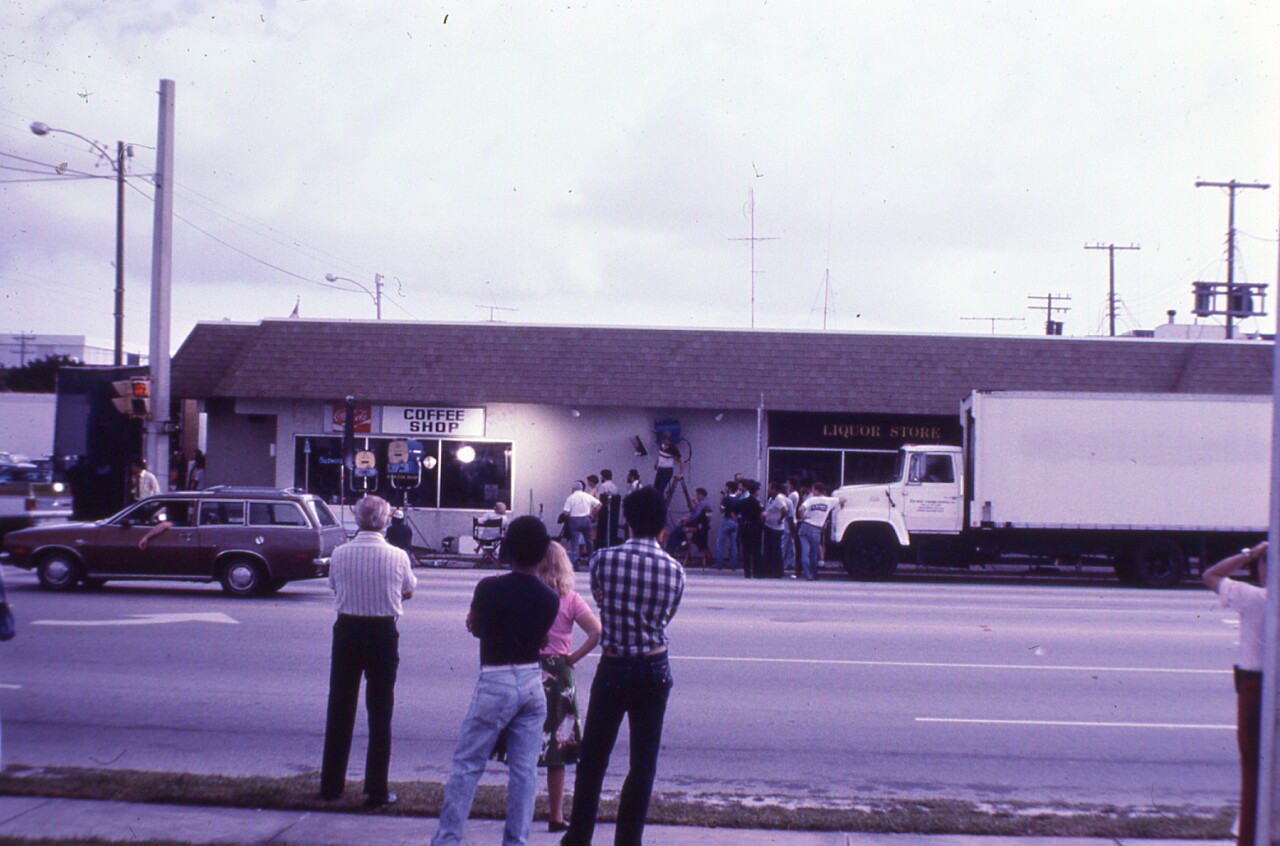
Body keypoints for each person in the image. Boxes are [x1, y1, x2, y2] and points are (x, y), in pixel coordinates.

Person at [561, 486, 685, 846]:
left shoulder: (603, 560)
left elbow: (600, 599)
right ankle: (628, 841)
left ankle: (579, 835)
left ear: (627, 521)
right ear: (662, 524)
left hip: (614, 665)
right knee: (643, 762)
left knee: (594, 757)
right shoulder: (676, 571)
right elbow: (667, 617)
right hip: (654, 666)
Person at [432, 516, 561, 846]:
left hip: (495, 678)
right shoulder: (550, 599)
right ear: (543, 553)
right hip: (532, 682)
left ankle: (447, 840)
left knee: (467, 765)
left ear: (508, 548)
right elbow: (540, 638)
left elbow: (475, 627)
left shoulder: (488, 587)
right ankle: (515, 842)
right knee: (524, 771)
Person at [319, 495, 416, 808]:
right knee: (380, 711)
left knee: (340, 707)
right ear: (386, 520)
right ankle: (376, 789)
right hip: (382, 632)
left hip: (347, 629)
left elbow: (334, 587)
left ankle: (331, 784)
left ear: (357, 519)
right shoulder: (398, 556)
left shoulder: (340, 553)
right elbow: (408, 589)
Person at [1203, 540, 1268, 846]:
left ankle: (1252, 835)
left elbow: (1211, 576)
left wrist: (1248, 554)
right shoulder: (1255, 597)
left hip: (1254, 688)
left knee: (1253, 767)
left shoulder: (1252, 597)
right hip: (1265, 685)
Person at [534, 542, 601, 832]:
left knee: (526, 744)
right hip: (560, 673)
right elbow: (596, 631)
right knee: (557, 750)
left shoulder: (531, 595)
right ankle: (556, 816)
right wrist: (572, 657)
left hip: (531, 668)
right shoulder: (570, 599)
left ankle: (520, 810)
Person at [796, 483, 840, 581]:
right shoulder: (830, 500)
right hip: (816, 528)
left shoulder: (811, 500)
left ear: (816, 490)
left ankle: (808, 575)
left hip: (805, 526)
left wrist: (803, 517)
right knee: (814, 553)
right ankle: (814, 573)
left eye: (813, 489)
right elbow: (842, 499)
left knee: (805, 552)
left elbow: (801, 509)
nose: (812, 491)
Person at [561, 481, 601, 566]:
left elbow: (566, 513)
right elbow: (599, 504)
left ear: (573, 489)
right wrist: (592, 515)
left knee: (575, 543)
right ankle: (591, 560)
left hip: (574, 520)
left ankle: (575, 564)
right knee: (589, 541)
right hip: (586, 520)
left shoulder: (571, 498)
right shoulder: (587, 496)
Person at [736, 480, 764, 579]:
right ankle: (757, 573)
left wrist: (739, 522)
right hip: (755, 527)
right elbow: (761, 515)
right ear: (755, 491)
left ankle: (747, 573)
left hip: (745, 527)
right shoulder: (757, 503)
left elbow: (734, 513)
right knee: (756, 551)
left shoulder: (742, 501)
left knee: (746, 551)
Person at [761, 481, 789, 578]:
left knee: (775, 550)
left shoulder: (779, 498)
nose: (768, 490)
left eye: (770, 488)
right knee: (769, 550)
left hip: (775, 528)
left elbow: (785, 509)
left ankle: (777, 572)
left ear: (774, 489)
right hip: (769, 526)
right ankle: (769, 570)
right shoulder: (771, 499)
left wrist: (780, 519)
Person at [715, 480, 742, 570]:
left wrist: (721, 501)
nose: (725, 488)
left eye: (726, 487)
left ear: (729, 489)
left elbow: (721, 510)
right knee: (733, 544)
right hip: (735, 522)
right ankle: (733, 563)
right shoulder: (738, 499)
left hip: (727, 521)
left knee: (720, 543)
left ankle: (719, 563)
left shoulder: (727, 499)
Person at [651, 434, 684, 499]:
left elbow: (681, 459)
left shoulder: (672, 448)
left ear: (669, 441)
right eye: (664, 441)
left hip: (667, 471)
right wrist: (656, 463)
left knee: (660, 490)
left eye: (667, 441)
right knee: (655, 489)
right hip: (660, 469)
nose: (666, 442)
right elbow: (660, 455)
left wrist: (681, 473)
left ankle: (661, 507)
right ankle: (655, 506)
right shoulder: (662, 446)